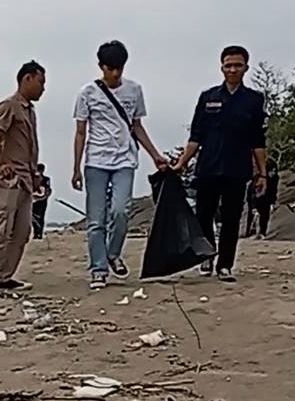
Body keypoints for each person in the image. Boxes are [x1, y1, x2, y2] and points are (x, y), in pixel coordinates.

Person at [72, 41, 168, 290]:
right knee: (96, 219)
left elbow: (137, 125)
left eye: (119, 68)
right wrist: (75, 167)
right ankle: (99, 269)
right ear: (101, 66)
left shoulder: (134, 90)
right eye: (110, 68)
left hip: (125, 158)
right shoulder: (87, 93)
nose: (115, 74)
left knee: (121, 210)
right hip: (95, 161)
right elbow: (81, 132)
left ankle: (113, 253)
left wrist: (155, 155)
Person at [174, 45, 268, 282]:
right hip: (207, 167)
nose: (233, 69)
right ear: (221, 67)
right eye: (228, 65)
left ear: (246, 67)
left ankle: (225, 265)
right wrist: (182, 163)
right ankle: (207, 254)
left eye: (238, 65)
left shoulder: (254, 100)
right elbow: (196, 136)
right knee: (203, 214)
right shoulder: (208, 97)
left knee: (231, 218)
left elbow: (257, 139)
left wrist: (262, 173)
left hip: (237, 169)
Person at [0, 62, 45, 294]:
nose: (42, 88)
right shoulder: (8, 105)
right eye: (40, 82)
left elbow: (28, 144)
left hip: (26, 177)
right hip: (8, 177)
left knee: (22, 230)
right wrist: (0, 163)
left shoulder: (29, 110)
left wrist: (35, 173)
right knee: (0, 227)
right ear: (27, 79)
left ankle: (4, 276)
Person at [246, 158, 279, 238]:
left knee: (265, 215)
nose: (273, 173)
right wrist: (254, 207)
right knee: (252, 215)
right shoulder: (259, 178)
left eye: (275, 171)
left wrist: (272, 202)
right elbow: (253, 194)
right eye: (272, 170)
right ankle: (249, 232)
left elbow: (274, 191)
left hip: (267, 198)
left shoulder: (275, 178)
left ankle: (263, 233)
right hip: (255, 197)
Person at [31, 163, 52, 239]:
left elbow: (48, 189)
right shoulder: (32, 179)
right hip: (34, 200)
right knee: (33, 217)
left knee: (41, 216)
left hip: (42, 200)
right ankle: (36, 233)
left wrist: (46, 196)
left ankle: (40, 233)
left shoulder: (46, 179)